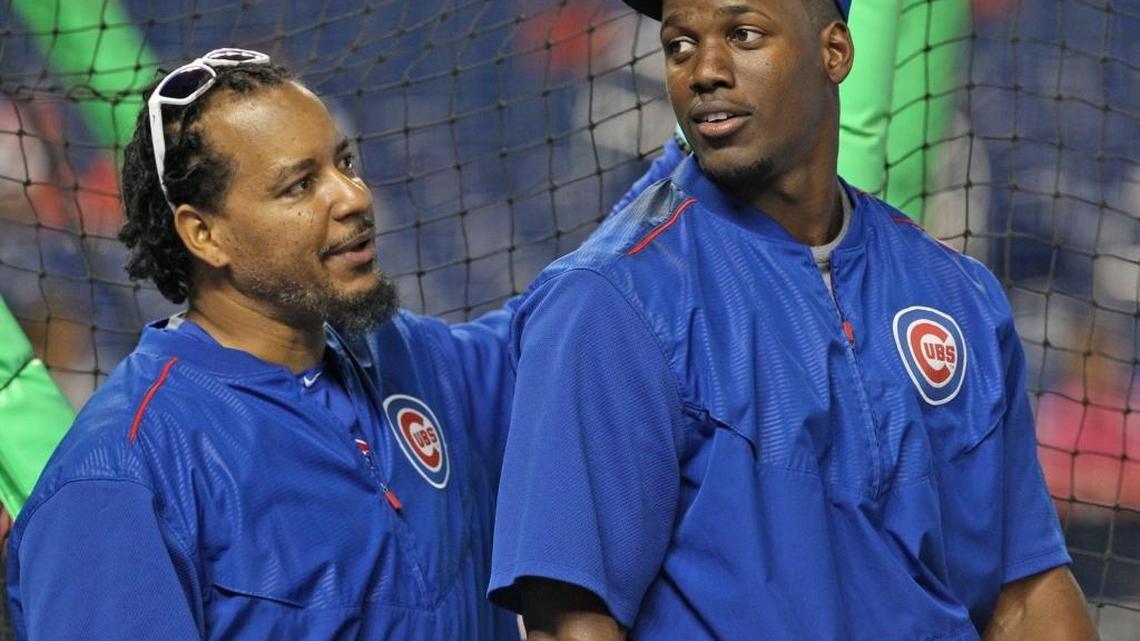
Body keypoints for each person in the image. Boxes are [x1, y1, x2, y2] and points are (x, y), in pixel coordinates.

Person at [488, 1, 1097, 640]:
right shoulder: (607, 302)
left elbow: (1026, 593)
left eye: (742, 34)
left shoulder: (959, 293)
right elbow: (570, 621)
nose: (705, 71)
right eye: (679, 45)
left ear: (834, 52)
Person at [6, 49, 520, 640]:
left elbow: (574, 312)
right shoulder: (118, 475)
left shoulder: (412, 356)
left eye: (344, 163)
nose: (353, 197)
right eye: (300, 185)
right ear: (205, 234)